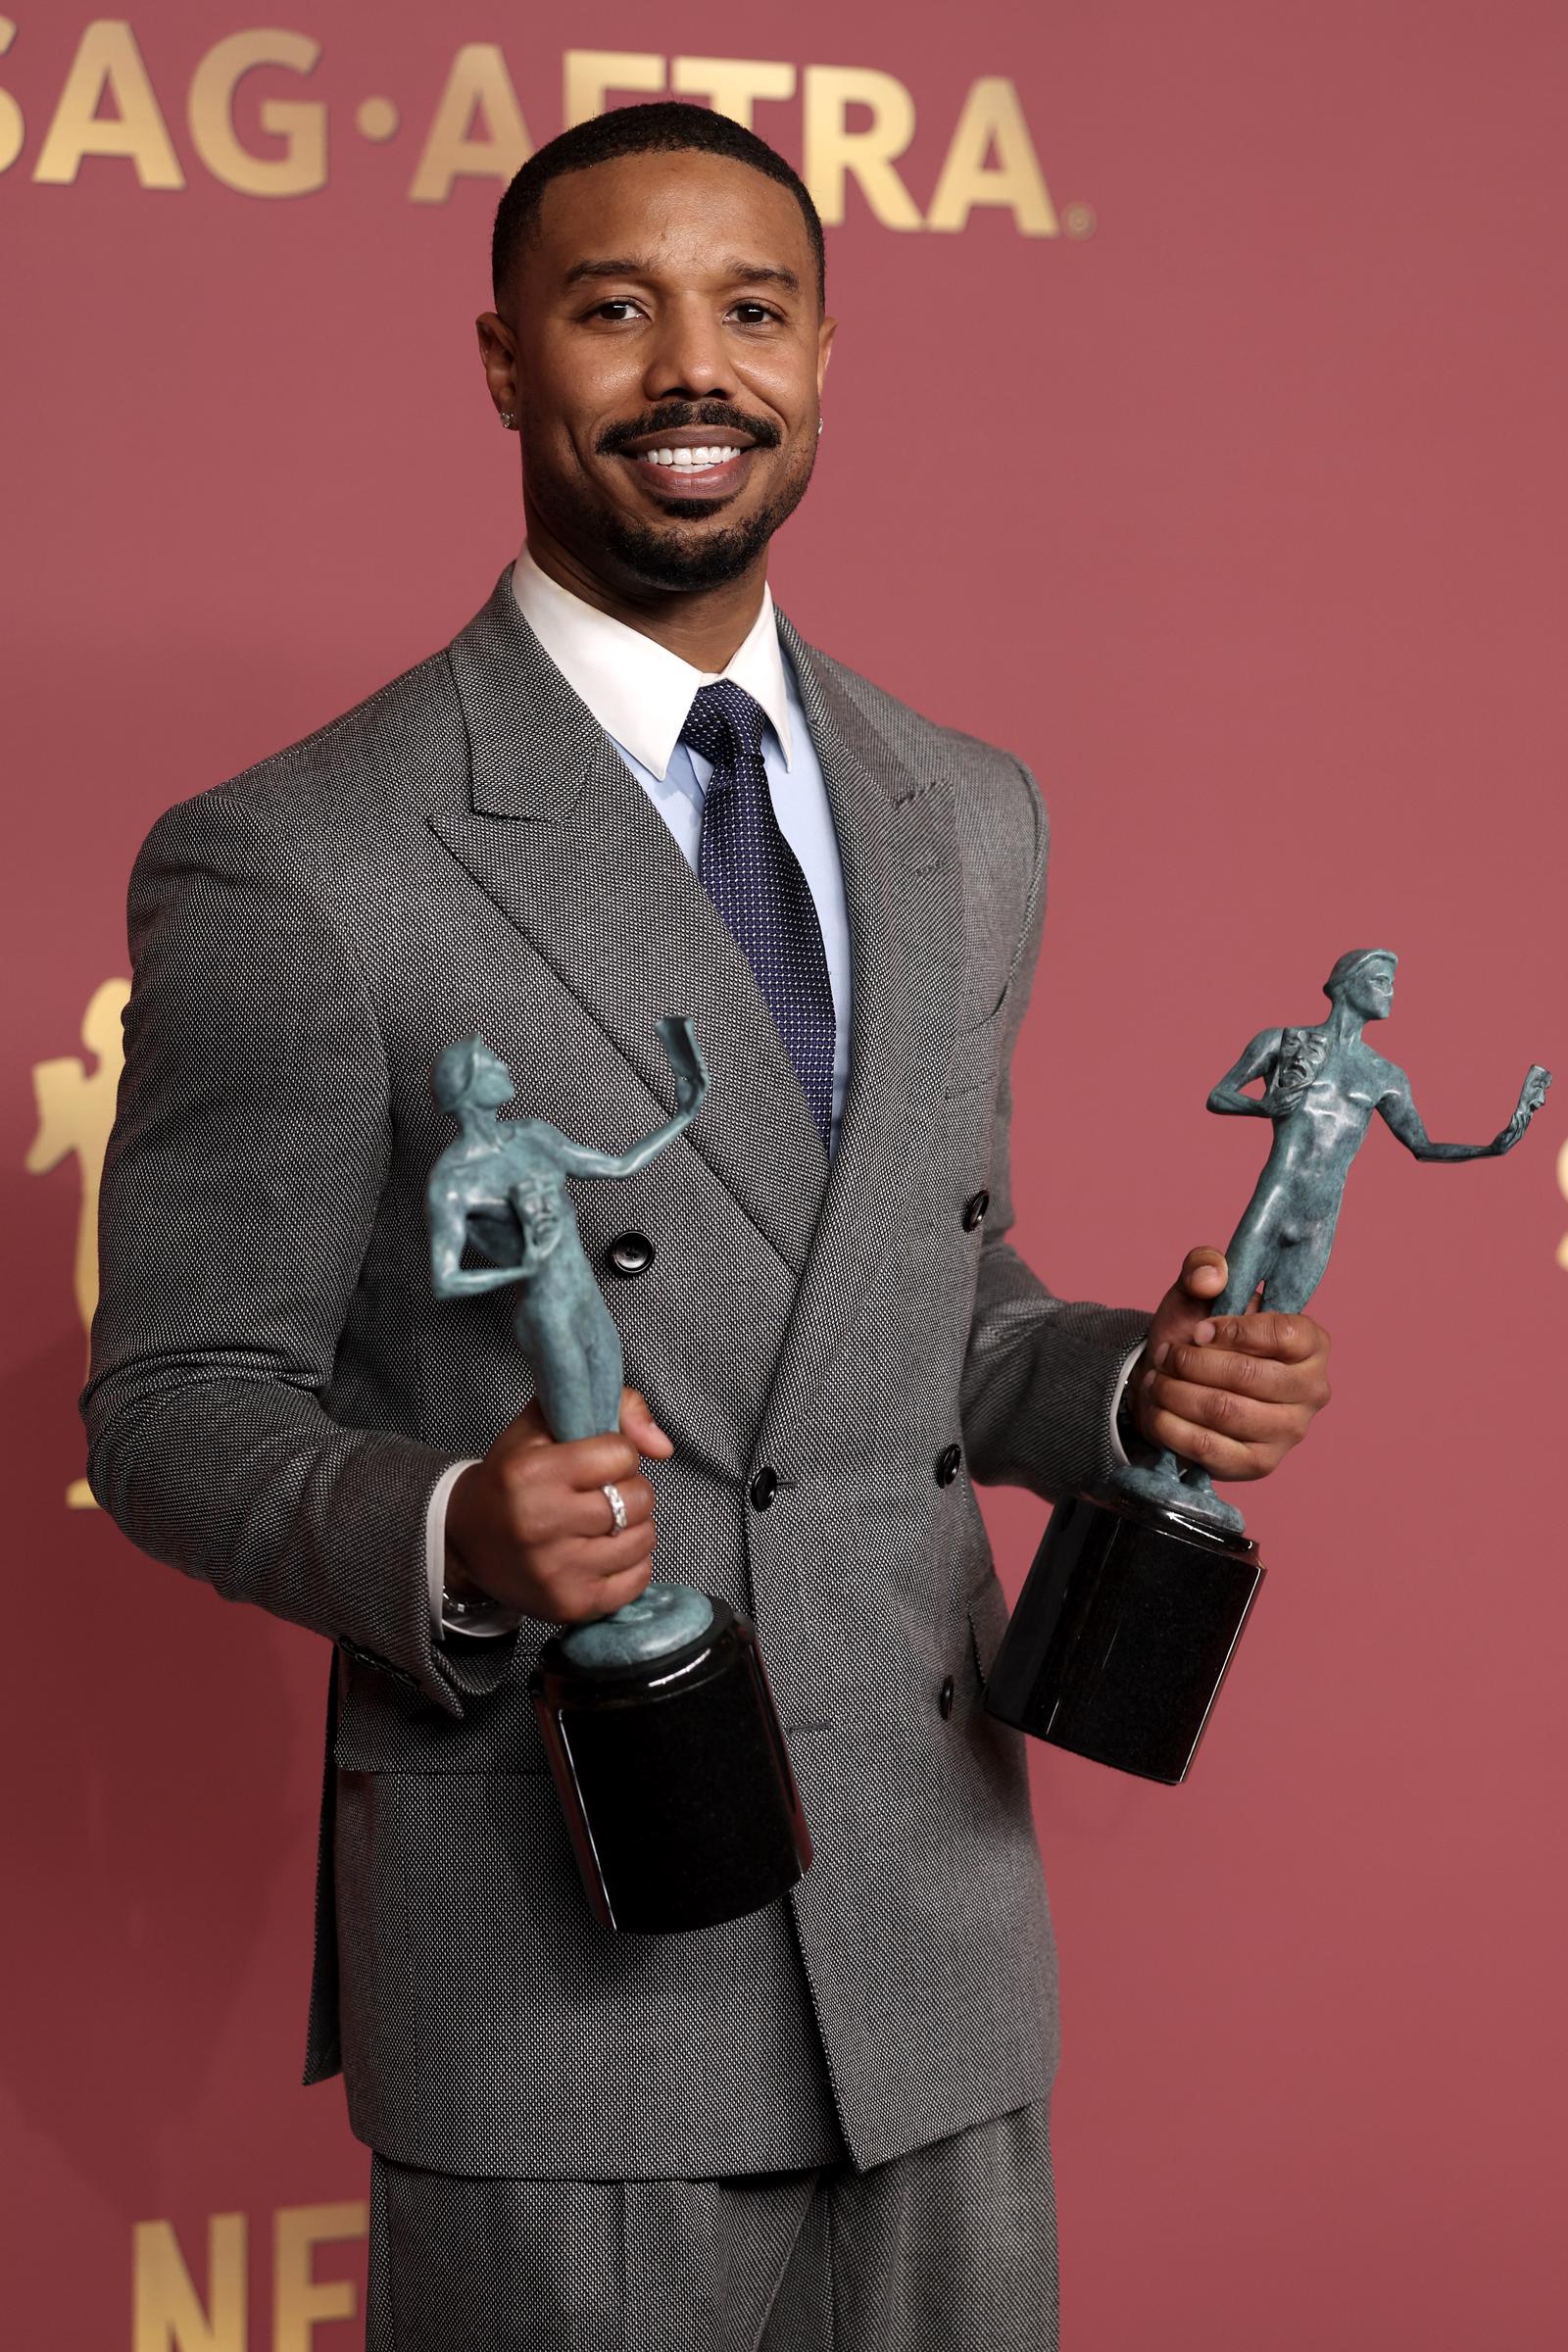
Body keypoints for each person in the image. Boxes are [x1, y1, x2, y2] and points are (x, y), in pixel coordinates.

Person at [84, 103, 1332, 2352]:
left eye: (750, 308)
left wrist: (1120, 1385)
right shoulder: (300, 856)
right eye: (613, 306)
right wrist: (458, 1520)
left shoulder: (962, 811)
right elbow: (176, 1406)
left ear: (826, 354)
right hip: (573, 1973)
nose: (693, 367)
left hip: (937, 1959)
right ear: (500, 362)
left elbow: (915, 1311)